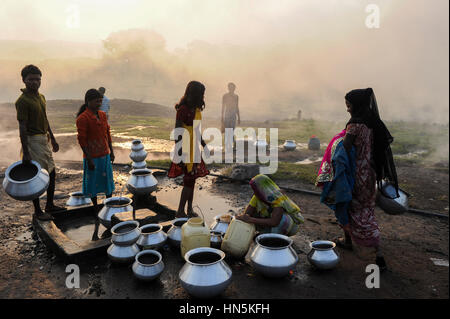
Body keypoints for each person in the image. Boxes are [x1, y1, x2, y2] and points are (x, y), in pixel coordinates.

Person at [338, 87, 397, 271]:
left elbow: (344, 149)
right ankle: (348, 240)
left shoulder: (355, 125)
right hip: (370, 173)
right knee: (361, 209)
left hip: (357, 175)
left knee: (354, 209)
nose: (347, 109)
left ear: (356, 105)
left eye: (349, 105)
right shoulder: (373, 122)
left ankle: (378, 255)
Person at [15, 64, 65, 221]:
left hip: (44, 139)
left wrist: (53, 138)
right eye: (31, 79)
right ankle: (37, 211)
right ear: (24, 80)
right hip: (32, 141)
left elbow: (45, 118)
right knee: (36, 176)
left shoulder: (41, 97)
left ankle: (49, 205)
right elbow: (22, 127)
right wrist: (26, 152)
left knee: (51, 172)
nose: (35, 82)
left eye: (37, 79)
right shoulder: (22, 101)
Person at [76, 89, 115, 240]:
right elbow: (82, 140)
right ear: (88, 101)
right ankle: (95, 209)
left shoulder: (103, 115)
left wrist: (111, 151)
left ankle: (109, 208)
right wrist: (90, 159)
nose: (99, 103)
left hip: (104, 155)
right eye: (96, 101)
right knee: (93, 184)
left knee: (107, 183)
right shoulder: (83, 118)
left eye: (100, 101)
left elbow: (108, 134)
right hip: (92, 157)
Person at [168, 81, 209, 218]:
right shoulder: (183, 109)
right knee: (188, 180)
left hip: (194, 149)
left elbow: (197, 130)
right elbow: (178, 131)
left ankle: (189, 209)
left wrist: (204, 145)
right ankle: (180, 211)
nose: (203, 96)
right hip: (185, 148)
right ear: (195, 94)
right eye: (201, 94)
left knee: (193, 179)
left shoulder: (196, 109)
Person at [236, 174, 304, 236]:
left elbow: (274, 222)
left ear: (262, 188)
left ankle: (275, 238)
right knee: (253, 214)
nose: (255, 191)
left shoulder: (277, 197)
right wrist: (240, 218)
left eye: (256, 189)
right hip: (271, 223)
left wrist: (250, 219)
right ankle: (265, 233)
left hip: (289, 225)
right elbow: (247, 213)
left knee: (283, 220)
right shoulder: (258, 197)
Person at [221, 82, 240, 149]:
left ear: (234, 88)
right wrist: (222, 117)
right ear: (228, 88)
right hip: (227, 115)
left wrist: (239, 117)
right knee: (227, 130)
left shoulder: (236, 96)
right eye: (230, 87)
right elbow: (223, 107)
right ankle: (230, 145)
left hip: (233, 115)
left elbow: (237, 106)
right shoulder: (225, 96)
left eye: (233, 87)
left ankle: (232, 144)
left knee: (231, 130)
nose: (231, 89)